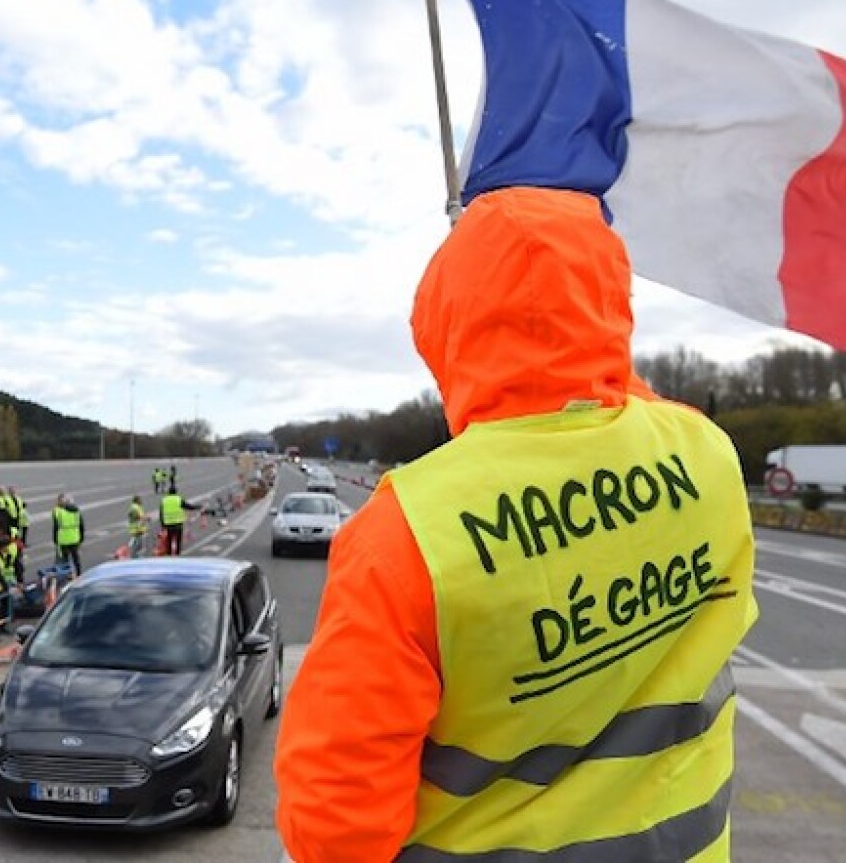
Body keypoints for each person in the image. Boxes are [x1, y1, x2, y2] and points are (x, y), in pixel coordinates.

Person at [273, 189, 759, 862]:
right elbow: (626, 396)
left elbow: (336, 826)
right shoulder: (706, 454)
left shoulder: (406, 534)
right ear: (613, 302)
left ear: (447, 329)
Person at [158, 486, 199, 557]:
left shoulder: (164, 500)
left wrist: (162, 525)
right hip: (178, 524)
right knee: (178, 541)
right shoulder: (179, 499)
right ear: (176, 492)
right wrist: (198, 507)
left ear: (168, 492)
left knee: (169, 541)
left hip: (168, 524)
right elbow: (189, 507)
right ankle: (177, 556)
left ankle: (169, 555)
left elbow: (161, 513)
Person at [51, 493, 86, 575]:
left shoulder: (57, 512)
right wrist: (81, 537)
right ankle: (79, 574)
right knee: (76, 558)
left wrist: (55, 539)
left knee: (64, 559)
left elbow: (55, 527)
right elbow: (81, 526)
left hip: (63, 540)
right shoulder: (76, 511)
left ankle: (68, 575)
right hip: (75, 538)